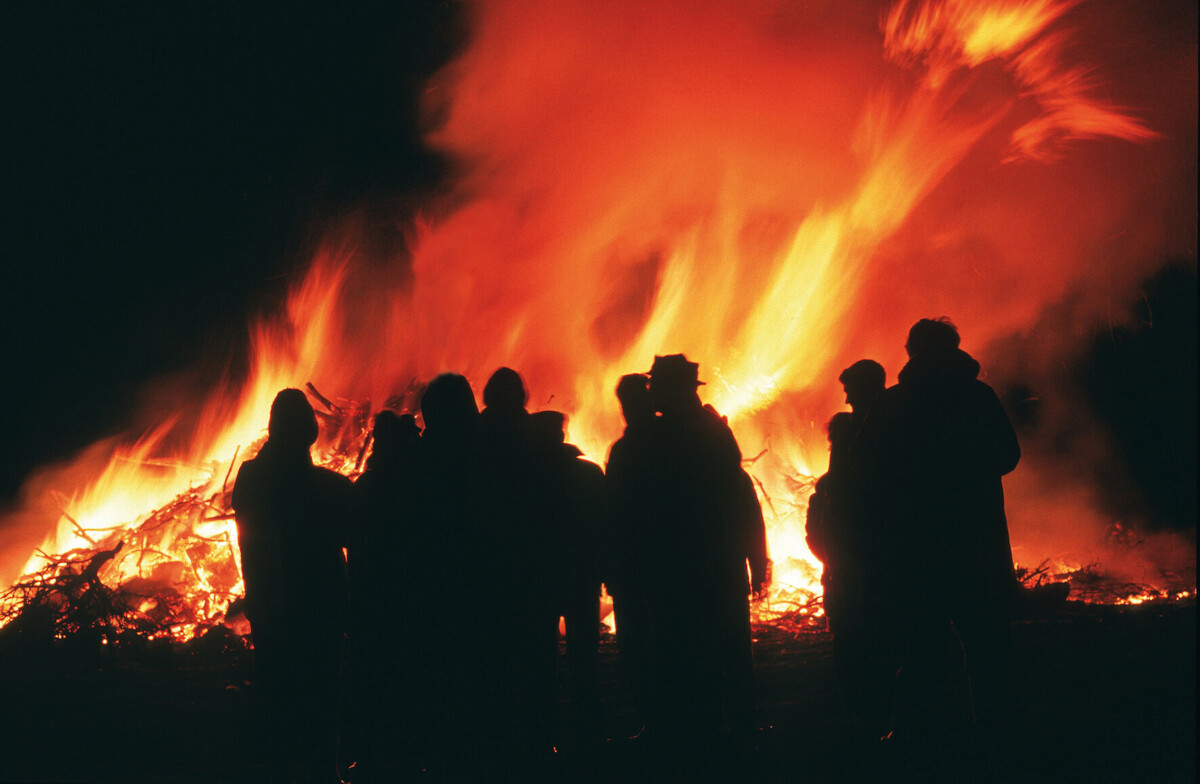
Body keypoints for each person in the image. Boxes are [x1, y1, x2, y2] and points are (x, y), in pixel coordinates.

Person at [861, 319, 1020, 746]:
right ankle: (997, 738)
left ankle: (917, 740)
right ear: (953, 350)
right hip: (976, 545)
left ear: (912, 352)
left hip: (916, 552)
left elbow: (869, 474)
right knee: (987, 648)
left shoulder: (893, 404)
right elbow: (1008, 454)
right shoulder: (978, 397)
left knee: (920, 650)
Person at [639, 354, 762, 760]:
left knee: (694, 652)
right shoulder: (713, 431)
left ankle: (708, 742)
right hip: (718, 564)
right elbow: (743, 500)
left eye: (656, 383)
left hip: (688, 567)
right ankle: (736, 733)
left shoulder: (666, 437)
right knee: (725, 652)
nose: (651, 390)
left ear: (673, 389)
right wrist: (756, 559)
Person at [231, 388, 353, 783]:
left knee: (278, 697)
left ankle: (283, 770)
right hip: (318, 608)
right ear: (309, 432)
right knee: (321, 698)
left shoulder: (250, 479)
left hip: (271, 608)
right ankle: (321, 771)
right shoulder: (325, 488)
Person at [805, 359, 892, 737]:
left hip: (869, 562)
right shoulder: (855, 438)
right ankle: (868, 713)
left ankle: (873, 715)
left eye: (850, 387)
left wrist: (836, 552)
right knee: (856, 639)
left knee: (867, 640)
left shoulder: (879, 432)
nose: (845, 395)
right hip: (850, 563)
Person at [349, 411, 421, 779]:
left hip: (373, 602)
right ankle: (409, 758)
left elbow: (353, 543)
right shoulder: (421, 488)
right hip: (411, 603)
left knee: (374, 680)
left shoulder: (365, 487)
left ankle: (373, 759)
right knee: (411, 679)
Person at [530, 409, 606, 748]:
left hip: (540, 582)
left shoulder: (522, 480)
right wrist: (606, 572)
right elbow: (606, 527)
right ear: (561, 437)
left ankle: (543, 736)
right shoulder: (589, 474)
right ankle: (590, 734)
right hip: (581, 579)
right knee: (584, 660)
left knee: (540, 663)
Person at [605, 373, 660, 736]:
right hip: (643, 566)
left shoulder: (634, 449)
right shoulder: (627, 448)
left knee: (645, 645)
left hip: (647, 565)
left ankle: (659, 722)